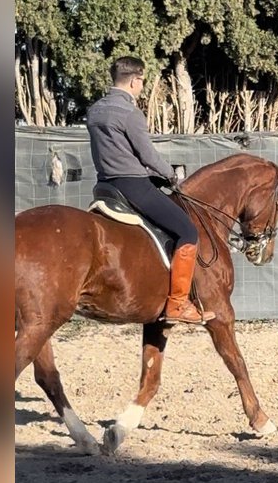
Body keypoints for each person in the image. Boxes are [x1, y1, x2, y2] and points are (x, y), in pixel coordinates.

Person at [86, 56, 214, 324]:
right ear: (135, 80)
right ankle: (178, 304)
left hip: (105, 187)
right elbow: (147, 155)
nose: (141, 86)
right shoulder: (130, 113)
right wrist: (170, 174)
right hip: (133, 185)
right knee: (187, 231)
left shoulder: (95, 110)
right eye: (142, 81)